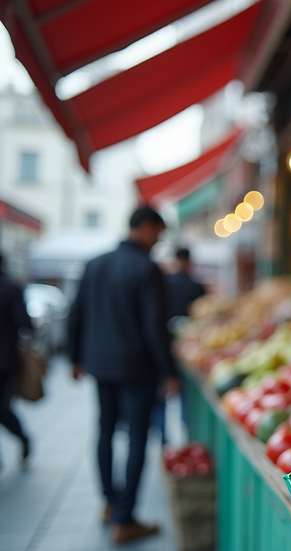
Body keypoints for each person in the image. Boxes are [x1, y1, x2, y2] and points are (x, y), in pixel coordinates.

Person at [68, 206, 178, 544]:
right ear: (145, 227)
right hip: (137, 368)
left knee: (104, 430)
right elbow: (154, 327)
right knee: (137, 439)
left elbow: (77, 314)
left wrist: (75, 358)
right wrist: (168, 372)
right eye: (157, 234)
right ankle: (125, 517)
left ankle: (110, 502)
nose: (158, 242)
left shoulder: (95, 264)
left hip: (100, 365)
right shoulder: (147, 269)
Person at [150, 247, 206, 444]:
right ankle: (186, 434)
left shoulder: (165, 283)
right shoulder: (196, 286)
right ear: (189, 261)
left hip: (163, 343)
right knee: (184, 394)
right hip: (189, 347)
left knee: (161, 393)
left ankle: (163, 438)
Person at [0, 252, 32, 468]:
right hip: (7, 359)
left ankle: (23, 437)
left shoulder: (11, 287)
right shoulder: (11, 287)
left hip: (6, 360)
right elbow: (25, 324)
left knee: (1, 407)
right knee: (2, 407)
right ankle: (23, 438)